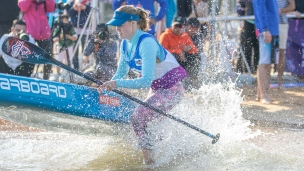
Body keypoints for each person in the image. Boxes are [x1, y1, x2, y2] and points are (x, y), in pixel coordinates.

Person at [99, 5, 188, 165]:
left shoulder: (146, 42)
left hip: (172, 90)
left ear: (133, 23)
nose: (117, 29)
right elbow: (120, 74)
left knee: (138, 118)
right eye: (116, 25)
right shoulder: (125, 44)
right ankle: (166, 156)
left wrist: (115, 84)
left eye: (121, 25)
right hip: (157, 90)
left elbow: (145, 81)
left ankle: (150, 163)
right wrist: (105, 88)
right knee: (151, 126)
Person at [18, 0, 56, 80]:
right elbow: (23, 7)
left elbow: (52, 8)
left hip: (44, 35)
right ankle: (26, 77)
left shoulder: (43, 2)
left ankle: (46, 78)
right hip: (29, 35)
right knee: (28, 57)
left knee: (48, 57)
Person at [159, 16, 199, 90]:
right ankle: (174, 81)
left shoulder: (185, 36)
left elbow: (195, 50)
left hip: (182, 60)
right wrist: (178, 51)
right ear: (172, 26)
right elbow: (161, 52)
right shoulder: (165, 35)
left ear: (183, 27)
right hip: (169, 62)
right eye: (176, 26)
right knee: (174, 55)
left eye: (180, 26)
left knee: (195, 56)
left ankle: (192, 80)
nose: (178, 28)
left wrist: (189, 49)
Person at [252, 0, 279, 104]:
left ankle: (261, 93)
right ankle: (263, 94)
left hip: (271, 29)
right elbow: (260, 9)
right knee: (264, 62)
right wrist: (265, 29)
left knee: (267, 62)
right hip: (266, 30)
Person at [276, 0, 295, 89]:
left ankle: (280, 82)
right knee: (267, 55)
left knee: (281, 54)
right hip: (270, 25)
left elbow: (292, 6)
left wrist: (281, 10)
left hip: (282, 24)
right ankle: (265, 84)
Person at [52, 12, 77, 79]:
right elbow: (54, 39)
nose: (65, 22)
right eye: (63, 20)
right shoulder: (58, 28)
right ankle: (58, 74)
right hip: (60, 46)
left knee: (68, 61)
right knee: (58, 60)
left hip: (69, 46)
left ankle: (67, 75)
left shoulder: (70, 27)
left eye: (66, 20)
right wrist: (61, 36)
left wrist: (68, 36)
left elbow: (75, 38)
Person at [68, 0, 92, 71]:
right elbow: (69, 13)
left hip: (86, 30)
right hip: (75, 30)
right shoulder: (72, 2)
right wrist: (74, 8)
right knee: (75, 50)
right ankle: (76, 68)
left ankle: (85, 66)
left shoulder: (88, 2)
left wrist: (85, 7)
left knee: (86, 49)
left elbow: (91, 12)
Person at [185, 18, 203, 88]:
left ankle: (193, 80)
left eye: (196, 28)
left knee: (196, 57)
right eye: (191, 27)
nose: (193, 30)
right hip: (179, 57)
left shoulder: (197, 37)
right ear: (186, 26)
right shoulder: (181, 34)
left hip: (190, 58)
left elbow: (196, 50)